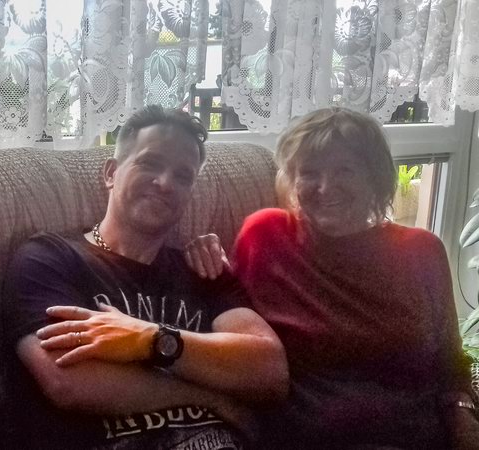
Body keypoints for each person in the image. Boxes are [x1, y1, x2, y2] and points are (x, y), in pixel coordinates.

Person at [186, 107, 479, 449]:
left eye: (345, 170)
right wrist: (203, 258)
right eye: (309, 172)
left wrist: (465, 421)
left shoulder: (421, 250)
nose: (326, 187)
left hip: (417, 439)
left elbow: (451, 363)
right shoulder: (265, 236)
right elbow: (226, 316)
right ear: (292, 180)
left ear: (375, 177)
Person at [2, 105, 288, 449]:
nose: (165, 183)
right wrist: (209, 397)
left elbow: (270, 370)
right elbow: (67, 380)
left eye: (182, 176)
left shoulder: (203, 269)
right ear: (111, 173)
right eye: (150, 163)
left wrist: (150, 339)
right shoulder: (50, 257)